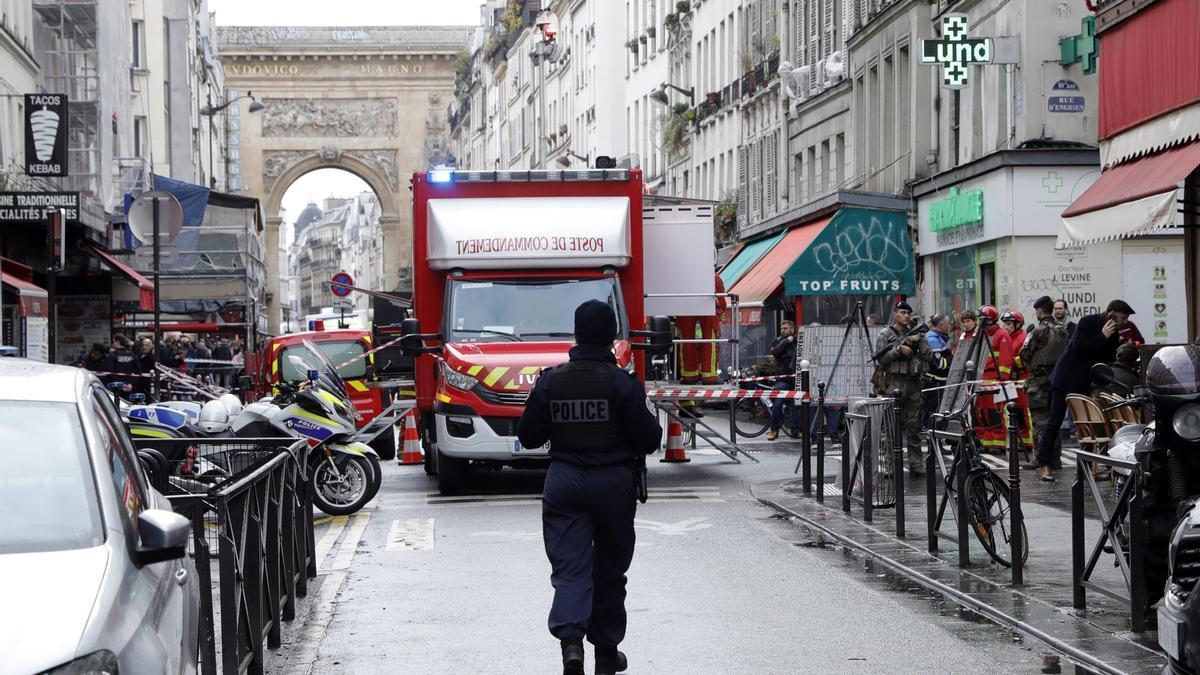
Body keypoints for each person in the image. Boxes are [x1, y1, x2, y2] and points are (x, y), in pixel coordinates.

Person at [516, 300, 662, 675]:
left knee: (570, 569)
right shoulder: (623, 383)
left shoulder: (551, 380)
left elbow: (528, 436)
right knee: (610, 571)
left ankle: (571, 648)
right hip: (613, 483)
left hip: (565, 481)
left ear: (577, 335)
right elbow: (650, 437)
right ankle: (607, 654)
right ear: (612, 338)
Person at [1035, 299, 1135, 482]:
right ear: (1111, 313)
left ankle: (1086, 468)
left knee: (1087, 423)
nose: (1125, 321)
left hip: (1084, 381)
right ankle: (1044, 464)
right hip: (1066, 378)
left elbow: (1106, 357)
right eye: (1123, 317)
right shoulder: (1088, 322)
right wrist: (1102, 337)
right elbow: (1079, 348)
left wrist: (1113, 343)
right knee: (1055, 420)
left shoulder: (1113, 333)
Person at [873, 301, 933, 474]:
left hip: (914, 383)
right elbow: (881, 359)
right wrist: (899, 350)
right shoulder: (885, 333)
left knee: (914, 425)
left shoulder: (917, 332)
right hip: (893, 383)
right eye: (902, 312)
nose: (906, 316)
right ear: (895, 314)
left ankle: (916, 463)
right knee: (892, 426)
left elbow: (929, 356)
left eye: (908, 313)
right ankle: (891, 464)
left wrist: (918, 341)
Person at [1019, 296, 1069, 466]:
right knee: (1055, 420)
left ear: (1040, 311)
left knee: (1040, 421)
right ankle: (1055, 458)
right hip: (1057, 380)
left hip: (1038, 383)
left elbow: (1024, 354)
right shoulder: (1063, 330)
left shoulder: (1038, 331)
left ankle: (1040, 458)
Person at [972, 305, 1014, 455]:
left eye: (982, 319)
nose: (979, 322)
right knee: (982, 412)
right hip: (981, 378)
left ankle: (998, 442)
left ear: (989, 320)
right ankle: (986, 441)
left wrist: (1001, 380)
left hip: (993, 380)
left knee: (995, 412)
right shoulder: (981, 335)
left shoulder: (1001, 335)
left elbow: (1005, 360)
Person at [675, 271, 727, 385]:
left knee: (686, 338)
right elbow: (722, 302)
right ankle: (709, 376)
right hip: (709, 307)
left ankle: (689, 375)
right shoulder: (713, 277)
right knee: (710, 340)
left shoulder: (682, 276)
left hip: (686, 304)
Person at [1002, 310, 1034, 455]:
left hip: (1020, 380)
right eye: (1005, 324)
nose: (1006, 327)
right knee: (1012, 411)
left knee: (1022, 411)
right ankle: (1019, 440)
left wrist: (1010, 362)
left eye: (1009, 324)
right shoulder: (1008, 337)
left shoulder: (1022, 338)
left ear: (1017, 324)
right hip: (1011, 381)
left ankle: (1027, 442)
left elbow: (1025, 359)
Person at [766, 320, 800, 441]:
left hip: (796, 378)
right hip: (783, 377)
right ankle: (774, 430)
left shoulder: (797, 341)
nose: (782, 330)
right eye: (782, 328)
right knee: (778, 403)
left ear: (792, 329)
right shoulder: (778, 341)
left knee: (797, 404)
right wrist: (786, 341)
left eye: (785, 328)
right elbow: (775, 352)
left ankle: (795, 430)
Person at [923, 314, 953, 424]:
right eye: (948, 323)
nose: (949, 326)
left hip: (938, 381)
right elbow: (940, 364)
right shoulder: (933, 340)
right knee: (934, 411)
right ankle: (932, 435)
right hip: (935, 383)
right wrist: (953, 360)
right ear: (941, 324)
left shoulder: (938, 337)